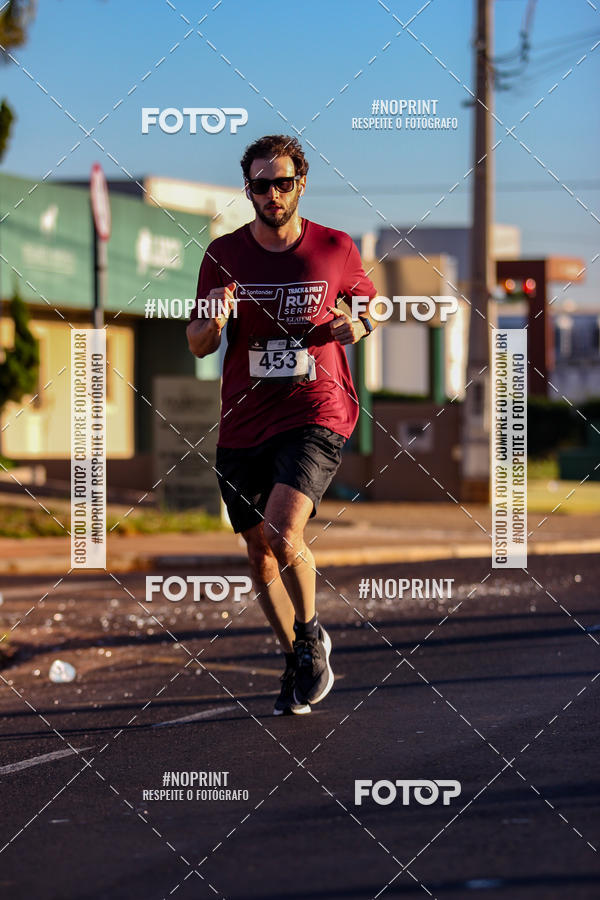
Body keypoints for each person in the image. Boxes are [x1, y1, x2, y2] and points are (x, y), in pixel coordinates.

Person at [187, 134, 378, 715]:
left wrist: (359, 326)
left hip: (317, 410)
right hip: (244, 420)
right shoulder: (222, 253)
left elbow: (369, 304)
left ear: (302, 184)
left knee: (281, 531)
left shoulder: (334, 247)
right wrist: (213, 325)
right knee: (257, 552)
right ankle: (297, 651)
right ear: (247, 190)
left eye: (283, 182)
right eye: (260, 185)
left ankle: (312, 632)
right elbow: (197, 345)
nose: (272, 194)